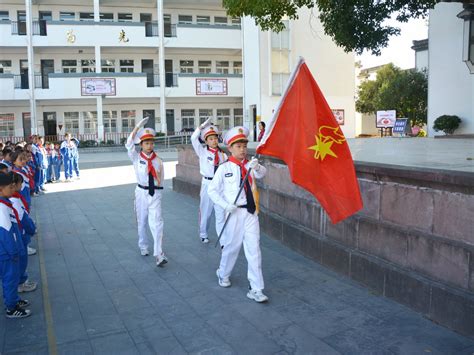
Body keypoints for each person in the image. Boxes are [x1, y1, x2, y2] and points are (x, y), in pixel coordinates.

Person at [208, 126, 269, 303]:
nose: (242, 149)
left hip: (250, 211)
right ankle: (223, 273)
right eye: (238, 146)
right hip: (233, 213)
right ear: (230, 148)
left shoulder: (251, 165)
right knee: (231, 247)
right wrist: (225, 205)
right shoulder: (224, 168)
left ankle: (256, 288)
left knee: (254, 250)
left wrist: (257, 167)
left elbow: (262, 173)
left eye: (244, 146)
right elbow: (212, 191)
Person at [125, 117, 167, 266]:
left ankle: (159, 254)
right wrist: (137, 127)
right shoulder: (136, 158)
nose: (149, 146)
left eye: (151, 143)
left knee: (157, 223)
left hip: (155, 193)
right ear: (141, 144)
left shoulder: (158, 160)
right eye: (146, 143)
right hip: (141, 193)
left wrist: (159, 194)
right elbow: (128, 144)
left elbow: (161, 179)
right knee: (142, 222)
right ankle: (143, 245)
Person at [0, 172, 31, 318]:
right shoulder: (1, 208)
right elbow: (5, 234)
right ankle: (11, 308)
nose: (13, 189)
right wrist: (14, 252)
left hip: (10, 251)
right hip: (7, 254)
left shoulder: (6, 204)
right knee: (10, 279)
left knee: (11, 279)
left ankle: (14, 300)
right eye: (10, 187)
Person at [191, 118, 227, 244]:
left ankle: (223, 238)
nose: (214, 141)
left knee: (220, 211)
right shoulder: (202, 152)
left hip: (219, 185)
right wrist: (201, 127)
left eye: (215, 138)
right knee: (205, 210)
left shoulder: (223, 155)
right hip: (207, 183)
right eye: (210, 139)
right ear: (206, 141)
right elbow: (193, 139)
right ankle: (203, 234)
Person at [11, 173, 37, 293]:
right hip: (21, 234)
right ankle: (21, 283)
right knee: (21, 260)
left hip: (21, 233)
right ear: (14, 185)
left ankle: (22, 281)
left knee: (22, 260)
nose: (22, 185)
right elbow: (23, 218)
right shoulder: (14, 201)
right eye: (21, 183)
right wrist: (32, 228)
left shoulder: (15, 197)